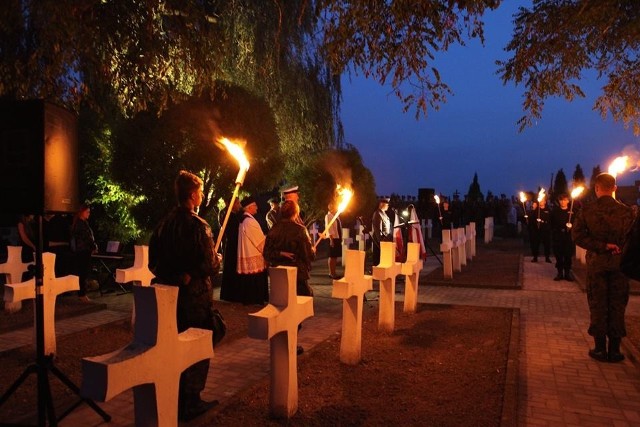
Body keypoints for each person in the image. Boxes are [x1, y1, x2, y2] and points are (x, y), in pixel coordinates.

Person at [148, 170, 221, 421]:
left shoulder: (163, 224)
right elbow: (210, 266)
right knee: (197, 345)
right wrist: (211, 263)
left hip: (169, 298)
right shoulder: (199, 226)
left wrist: (176, 276)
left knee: (174, 347)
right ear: (192, 195)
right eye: (200, 191)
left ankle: (177, 395)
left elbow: (153, 263)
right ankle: (191, 400)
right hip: (195, 300)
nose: (202, 195)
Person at [572, 173, 636, 363]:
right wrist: (620, 248)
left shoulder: (587, 211)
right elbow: (633, 239)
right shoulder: (628, 212)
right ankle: (615, 350)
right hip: (620, 266)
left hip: (597, 265)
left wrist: (601, 246)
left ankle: (600, 349)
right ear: (615, 188)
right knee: (617, 305)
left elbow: (577, 236)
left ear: (597, 188)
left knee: (598, 304)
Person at [264, 200, 315, 355]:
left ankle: (285, 342)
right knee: (297, 309)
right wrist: (312, 250)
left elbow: (266, 253)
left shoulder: (273, 229)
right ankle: (290, 342)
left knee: (283, 309)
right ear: (296, 212)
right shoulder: (300, 230)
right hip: (296, 277)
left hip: (279, 278)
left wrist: (279, 254)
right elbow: (308, 256)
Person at [237, 196, 268, 305]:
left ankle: (250, 299)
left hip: (249, 254)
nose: (257, 207)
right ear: (249, 208)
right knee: (254, 281)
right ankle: (254, 300)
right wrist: (268, 249)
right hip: (253, 255)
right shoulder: (249, 221)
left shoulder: (245, 219)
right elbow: (259, 241)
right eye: (254, 205)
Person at [70, 204, 98, 302]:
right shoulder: (81, 224)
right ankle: (82, 294)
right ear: (82, 212)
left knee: (83, 272)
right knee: (83, 272)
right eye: (87, 212)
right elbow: (87, 238)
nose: (89, 214)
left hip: (83, 250)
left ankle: (82, 293)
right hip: (83, 251)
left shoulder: (81, 223)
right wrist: (93, 246)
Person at [219, 198, 242, 302]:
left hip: (234, 245)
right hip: (232, 245)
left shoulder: (233, 215)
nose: (239, 205)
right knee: (230, 269)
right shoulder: (228, 216)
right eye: (237, 203)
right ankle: (230, 294)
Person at [550, 193, 575, 281]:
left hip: (568, 238)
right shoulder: (555, 211)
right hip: (558, 237)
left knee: (568, 256)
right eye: (561, 200)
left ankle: (567, 273)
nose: (563, 202)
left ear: (568, 201)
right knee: (559, 255)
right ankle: (560, 273)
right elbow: (551, 223)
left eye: (564, 200)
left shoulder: (572, 211)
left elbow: (576, 223)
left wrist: (572, 227)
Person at [371, 197, 392, 266]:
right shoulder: (377, 213)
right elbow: (377, 228)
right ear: (382, 204)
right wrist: (380, 240)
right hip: (379, 239)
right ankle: (376, 274)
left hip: (385, 238)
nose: (388, 206)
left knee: (383, 258)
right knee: (378, 257)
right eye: (387, 204)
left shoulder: (384, 214)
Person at [324, 201, 342, 279]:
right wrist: (331, 239)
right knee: (332, 256)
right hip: (332, 238)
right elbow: (329, 228)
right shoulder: (328, 216)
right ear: (331, 208)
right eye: (334, 207)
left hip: (337, 238)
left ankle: (334, 272)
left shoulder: (336, 216)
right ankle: (331, 273)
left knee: (335, 256)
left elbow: (339, 227)